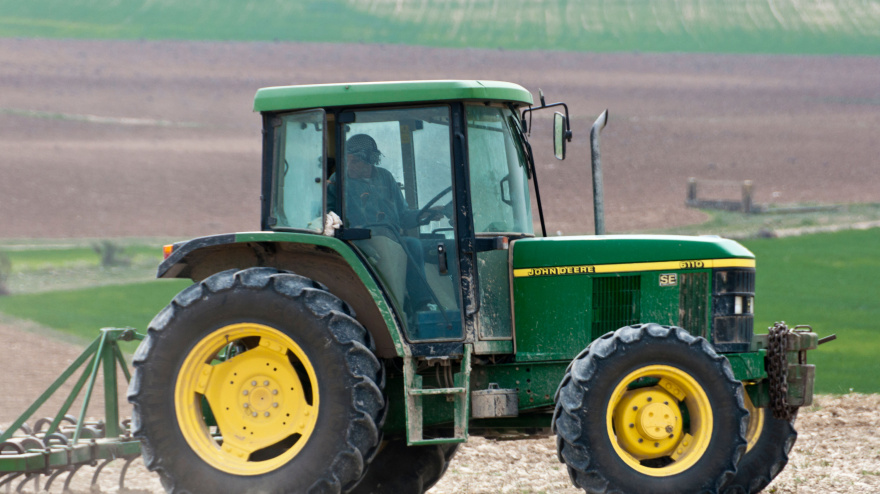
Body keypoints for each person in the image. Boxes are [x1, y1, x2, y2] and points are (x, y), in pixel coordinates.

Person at [327, 134, 445, 313]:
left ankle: (423, 305)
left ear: (371, 161)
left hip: (391, 241)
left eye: (356, 161)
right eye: (347, 161)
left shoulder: (386, 178)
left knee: (418, 245)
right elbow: (327, 216)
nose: (350, 166)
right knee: (411, 245)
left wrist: (426, 214)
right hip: (358, 242)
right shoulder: (337, 180)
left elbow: (403, 216)